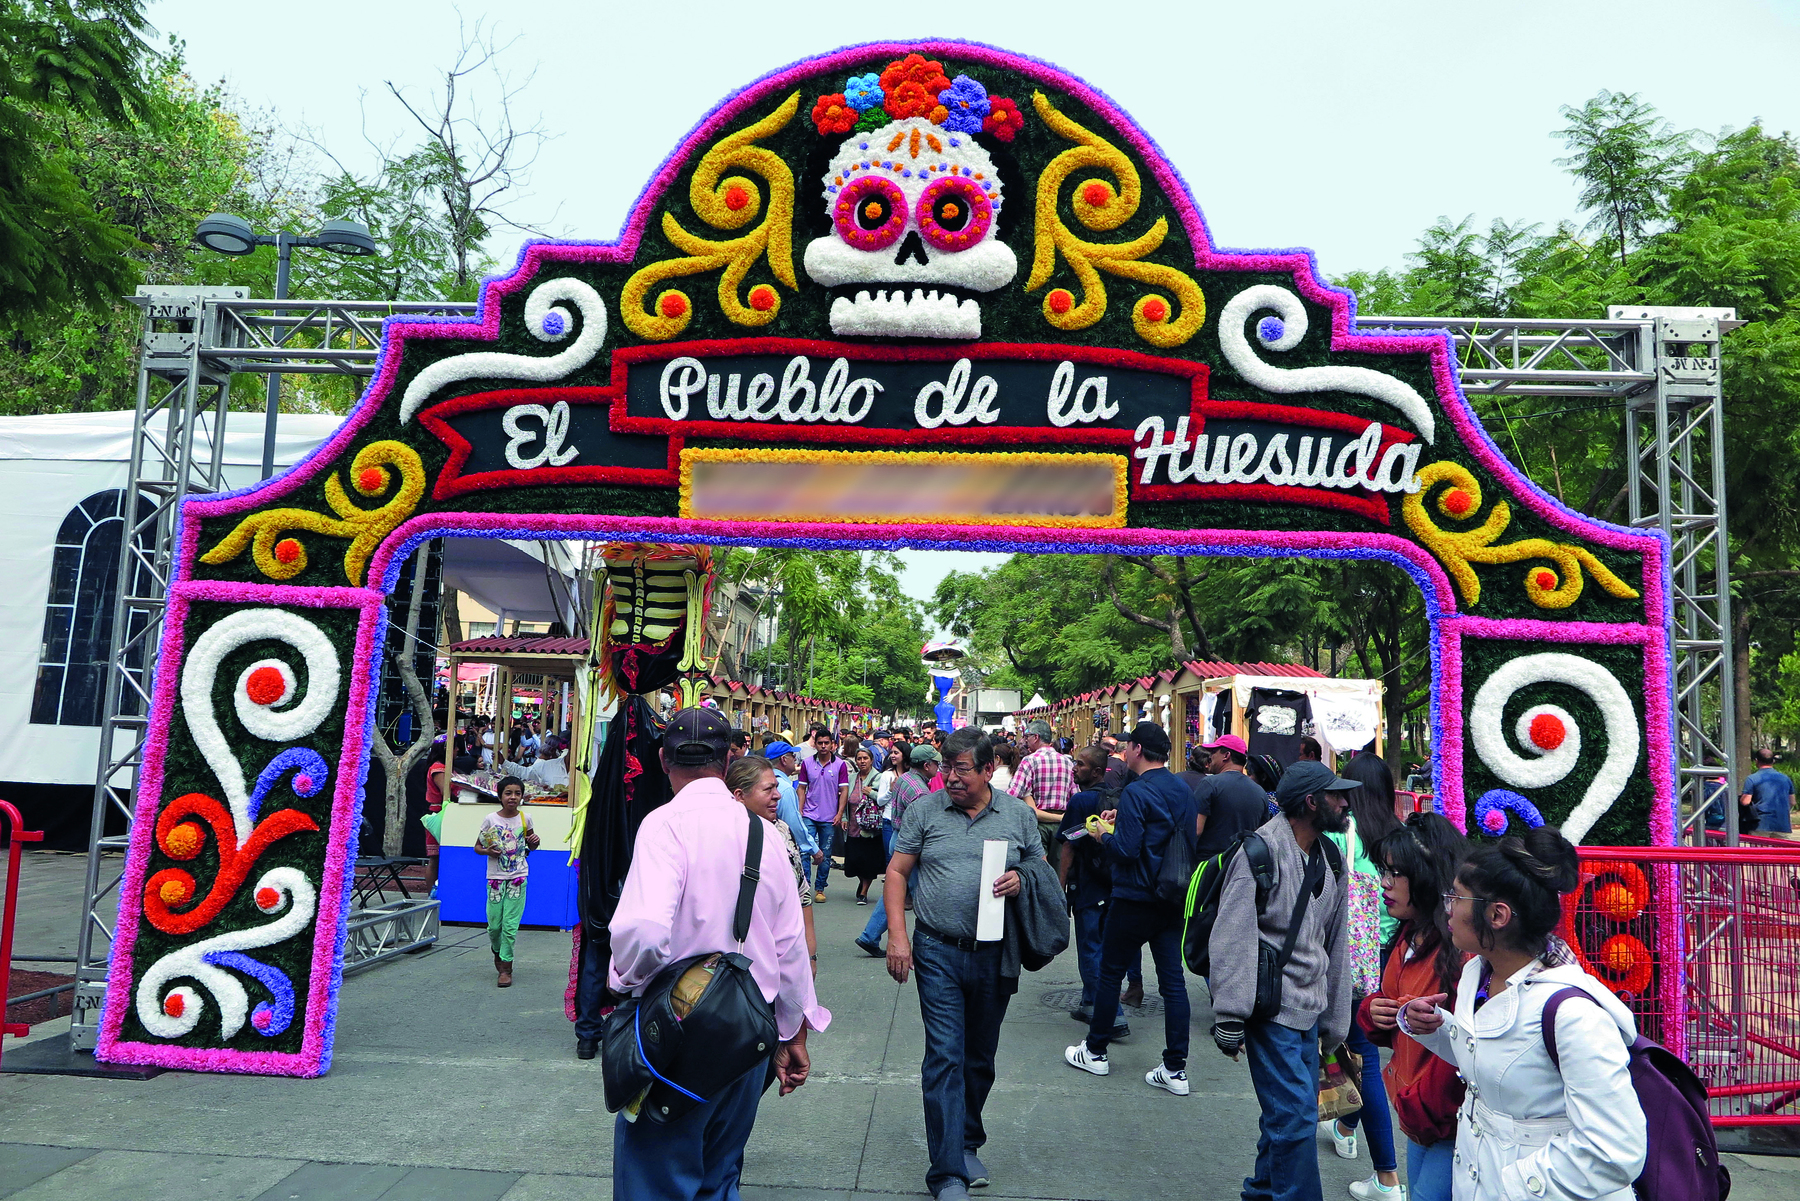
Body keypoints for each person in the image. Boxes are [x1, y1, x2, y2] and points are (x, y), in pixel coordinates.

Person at [608, 708, 829, 1200]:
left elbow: (643, 931)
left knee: (654, 1179)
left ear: (663, 760)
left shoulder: (663, 825)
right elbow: (790, 946)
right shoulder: (764, 834)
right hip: (748, 1034)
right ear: (728, 759)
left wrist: (627, 982)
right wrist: (794, 1032)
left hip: (677, 1033)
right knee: (719, 1174)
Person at [1400, 828, 1647, 1201]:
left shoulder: (1574, 1016)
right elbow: (1499, 1062)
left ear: (1497, 915)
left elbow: (1616, 1150)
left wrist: (1513, 1183)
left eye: (1456, 896)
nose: (1447, 907)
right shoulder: (1476, 972)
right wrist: (1435, 1028)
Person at [884, 727, 1044, 1200]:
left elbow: (1039, 866)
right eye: (946, 768)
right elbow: (897, 871)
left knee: (980, 1057)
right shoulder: (924, 811)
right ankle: (948, 1171)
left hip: (996, 953)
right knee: (944, 1058)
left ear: (988, 767)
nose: (951, 778)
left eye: (962, 769)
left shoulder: (1016, 814)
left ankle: (968, 1137)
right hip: (936, 951)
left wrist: (1020, 878)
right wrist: (897, 937)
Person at [1209, 760, 1357, 1201]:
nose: (1344, 801)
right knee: (1294, 1117)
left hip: (1309, 1009)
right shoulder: (1259, 851)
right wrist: (1230, 1014)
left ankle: (1260, 1192)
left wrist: (1336, 1021)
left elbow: (1337, 945)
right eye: (1335, 794)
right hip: (1271, 1008)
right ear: (1311, 802)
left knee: (1287, 1116)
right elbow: (1232, 934)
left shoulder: (1330, 857)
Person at [1064, 722, 1196, 1094]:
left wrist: (1104, 834)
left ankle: (1095, 1050)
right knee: (1173, 982)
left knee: (1110, 973)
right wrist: (1121, 824)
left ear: (1136, 749)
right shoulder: (1182, 789)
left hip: (1134, 895)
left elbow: (1126, 850)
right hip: (1171, 896)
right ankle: (1175, 1068)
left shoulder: (1138, 791)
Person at [1355, 813, 1469, 1201]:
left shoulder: (1461, 951)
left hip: (1445, 1118)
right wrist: (1373, 1011)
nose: (1384, 884)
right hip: (1419, 1114)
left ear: (1424, 876)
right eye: (1383, 872)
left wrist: (1421, 1101)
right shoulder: (1410, 934)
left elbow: (1466, 1045)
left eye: (1394, 874)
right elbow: (1389, 1008)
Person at [1320, 752, 1405, 1198]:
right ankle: (1347, 1127)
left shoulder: (1342, 836)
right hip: (1387, 963)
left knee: (1361, 1058)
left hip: (1344, 962)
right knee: (1361, 1050)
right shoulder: (1399, 838)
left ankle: (1388, 1176)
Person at [727, 755, 817, 977]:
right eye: (768, 789)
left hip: (780, 955)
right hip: (732, 960)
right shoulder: (721, 835)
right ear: (739, 795)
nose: (777, 795)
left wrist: (810, 956)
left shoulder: (782, 831)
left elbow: (802, 895)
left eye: (776, 787)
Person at [855, 744, 940, 957]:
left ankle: (870, 935)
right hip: (908, 843)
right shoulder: (919, 790)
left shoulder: (904, 779)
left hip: (897, 836)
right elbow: (920, 825)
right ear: (927, 765)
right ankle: (933, 942)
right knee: (925, 892)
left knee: (896, 891)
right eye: (936, 763)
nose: (938, 767)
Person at [473, 776, 539, 988]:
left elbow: (530, 847)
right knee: (494, 926)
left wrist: (535, 842)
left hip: (518, 878)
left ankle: (505, 968)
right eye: (508, 793)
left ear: (522, 796)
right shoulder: (490, 819)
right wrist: (487, 851)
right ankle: (497, 951)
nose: (512, 797)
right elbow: (477, 847)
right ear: (500, 796)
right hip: (495, 879)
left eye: (517, 793)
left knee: (510, 926)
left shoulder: (525, 818)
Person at [1193, 734, 1273, 857]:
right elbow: (1262, 834)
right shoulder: (1260, 792)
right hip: (1243, 865)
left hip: (1209, 866)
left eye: (1214, 752)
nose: (1211, 757)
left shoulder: (1209, 784)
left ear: (1226, 755)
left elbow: (1196, 830)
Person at [797, 726, 850, 902]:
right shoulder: (807, 763)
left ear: (833, 745)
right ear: (816, 745)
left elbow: (844, 790)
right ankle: (804, 887)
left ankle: (820, 888)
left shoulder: (840, 765)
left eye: (826, 743)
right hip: (809, 815)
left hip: (829, 817)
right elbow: (802, 788)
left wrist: (840, 813)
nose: (823, 746)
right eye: (820, 743)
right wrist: (800, 810)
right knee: (805, 851)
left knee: (825, 854)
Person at [1013, 719, 1076, 855]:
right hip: (1062, 823)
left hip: (1038, 824)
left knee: (1040, 869)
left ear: (1036, 737)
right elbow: (1075, 795)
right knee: (1059, 870)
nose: (1025, 741)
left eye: (1027, 736)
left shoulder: (1029, 761)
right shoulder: (1068, 762)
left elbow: (1013, 793)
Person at [842, 745, 887, 904]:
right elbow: (845, 800)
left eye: (865, 758)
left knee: (868, 860)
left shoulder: (879, 777)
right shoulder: (851, 778)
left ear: (871, 760)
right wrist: (844, 817)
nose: (862, 761)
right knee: (854, 859)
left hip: (870, 826)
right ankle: (862, 881)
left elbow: (885, 799)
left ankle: (864, 892)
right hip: (853, 825)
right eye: (859, 758)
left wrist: (872, 793)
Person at [1741, 748, 1795, 837]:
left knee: (1761, 850)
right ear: (1773, 761)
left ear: (1756, 761)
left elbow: (1745, 801)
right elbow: (1792, 802)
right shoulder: (1785, 778)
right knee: (1781, 850)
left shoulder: (1752, 778)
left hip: (1760, 824)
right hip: (1782, 823)